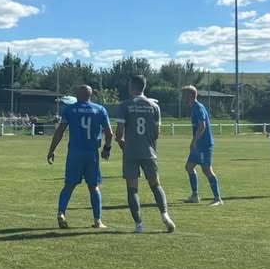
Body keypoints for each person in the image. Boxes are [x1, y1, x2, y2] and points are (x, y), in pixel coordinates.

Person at [114, 75, 176, 233]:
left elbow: (119, 132)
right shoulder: (154, 106)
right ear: (144, 86)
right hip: (149, 152)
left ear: (132, 86)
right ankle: (164, 214)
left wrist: (121, 142)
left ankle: (139, 224)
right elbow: (157, 133)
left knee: (132, 189)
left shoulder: (125, 105)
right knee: (155, 185)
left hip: (130, 153)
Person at [46, 85, 113, 229]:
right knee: (94, 187)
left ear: (77, 94)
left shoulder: (69, 109)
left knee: (68, 186)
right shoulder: (100, 110)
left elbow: (60, 131)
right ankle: (97, 221)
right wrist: (107, 148)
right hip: (91, 153)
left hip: (75, 153)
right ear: (91, 95)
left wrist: (51, 150)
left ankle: (61, 212)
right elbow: (109, 133)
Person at [180, 86, 222, 205]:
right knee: (189, 167)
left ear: (190, 95)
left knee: (207, 170)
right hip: (198, 145)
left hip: (203, 144)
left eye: (184, 94)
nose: (183, 97)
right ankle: (194, 196)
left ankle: (217, 198)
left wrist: (194, 140)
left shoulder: (198, 107)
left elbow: (202, 125)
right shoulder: (193, 107)